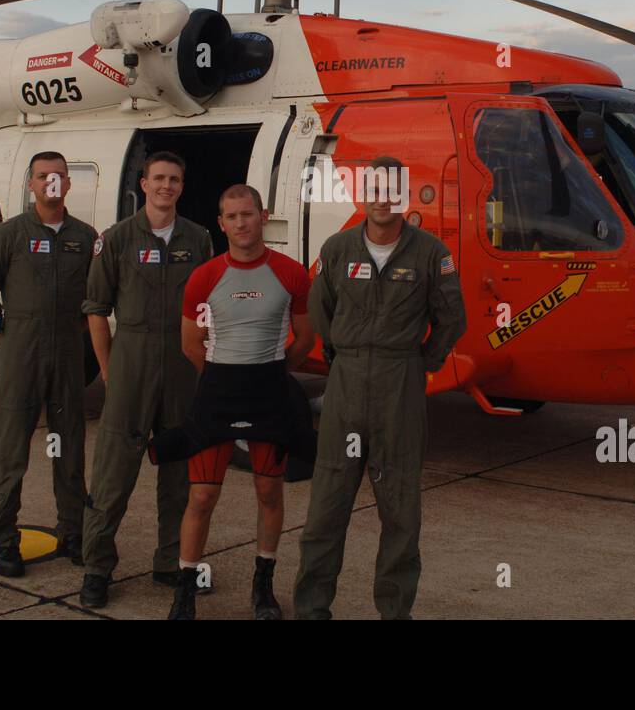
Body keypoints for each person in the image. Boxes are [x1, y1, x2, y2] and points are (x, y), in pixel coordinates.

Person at [293, 155, 467, 620]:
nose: (382, 198)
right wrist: (341, 356)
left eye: (393, 189)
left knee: (400, 512)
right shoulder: (337, 249)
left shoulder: (431, 254)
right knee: (327, 506)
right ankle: (312, 608)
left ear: (403, 196)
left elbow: (453, 319)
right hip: (346, 388)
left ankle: (394, 610)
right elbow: (320, 309)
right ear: (363, 194)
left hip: (399, 387)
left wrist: (419, 362)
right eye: (374, 189)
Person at [147, 184, 315, 620]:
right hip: (217, 396)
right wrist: (226, 381)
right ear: (221, 224)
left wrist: (270, 373)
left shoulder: (292, 273)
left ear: (263, 215)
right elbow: (190, 345)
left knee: (269, 491)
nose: (241, 223)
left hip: (269, 394)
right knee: (201, 497)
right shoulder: (204, 277)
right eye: (232, 217)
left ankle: (263, 588)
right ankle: (184, 590)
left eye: (248, 214)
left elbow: (306, 338)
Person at [78, 152, 213, 607]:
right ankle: (97, 567)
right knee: (113, 475)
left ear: (181, 185)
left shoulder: (198, 239)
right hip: (131, 366)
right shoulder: (115, 240)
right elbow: (96, 309)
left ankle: (171, 561)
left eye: (174, 179)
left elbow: (207, 310)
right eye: (158, 178)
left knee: (178, 475)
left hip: (181, 369)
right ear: (144, 182)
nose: (166, 186)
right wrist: (110, 372)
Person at [0, 152, 98, 577]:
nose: (52, 183)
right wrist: (10, 339)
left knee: (70, 449)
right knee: (11, 453)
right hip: (21, 355)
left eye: (59, 176)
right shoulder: (9, 235)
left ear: (68, 184)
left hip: (67, 354)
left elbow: (96, 299)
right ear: (32, 184)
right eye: (43, 176)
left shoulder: (85, 236)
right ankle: (4, 539)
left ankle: (72, 533)